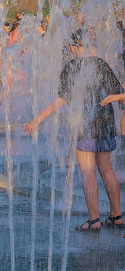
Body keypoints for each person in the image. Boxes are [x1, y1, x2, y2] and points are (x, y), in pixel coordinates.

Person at [29, 32, 123, 231]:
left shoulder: (71, 67)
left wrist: (39, 117)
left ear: (73, 47)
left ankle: (94, 220)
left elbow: (62, 99)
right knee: (107, 169)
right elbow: (119, 94)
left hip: (84, 125)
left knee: (88, 171)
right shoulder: (102, 64)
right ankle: (116, 216)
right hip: (105, 122)